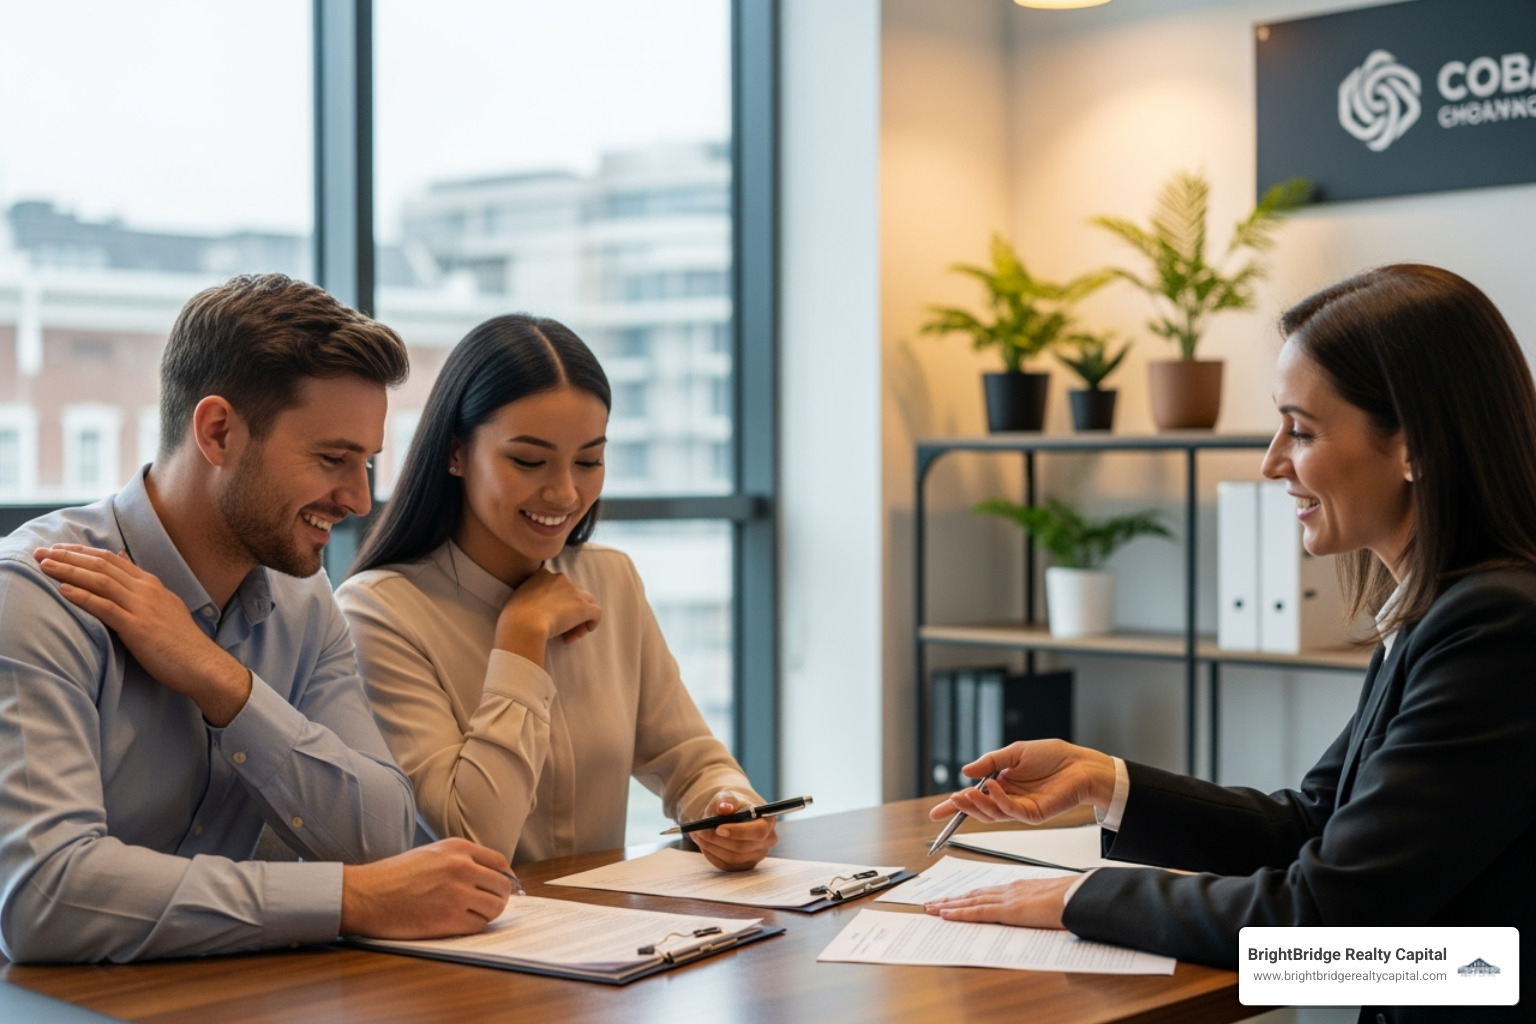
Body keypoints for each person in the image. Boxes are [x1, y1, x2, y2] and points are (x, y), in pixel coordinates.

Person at [925, 264, 1534, 1024]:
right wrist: (1104, 780)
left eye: (1302, 430)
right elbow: (1316, 826)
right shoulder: (1439, 609)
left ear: (1414, 446)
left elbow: (1325, 918)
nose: (1272, 460)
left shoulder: (1496, 628)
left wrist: (1079, 897)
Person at [0, 274, 514, 964]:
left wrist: (223, 685)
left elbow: (384, 835)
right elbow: (49, 897)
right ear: (218, 432)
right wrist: (351, 901)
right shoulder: (38, 592)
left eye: (366, 463)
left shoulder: (304, 602)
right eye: (334, 459)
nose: (360, 500)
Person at [335, 314, 775, 870]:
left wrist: (729, 809)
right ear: (455, 451)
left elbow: (688, 758)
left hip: (605, 937)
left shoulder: (610, 580)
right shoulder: (379, 611)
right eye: (529, 460)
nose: (566, 492)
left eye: (589, 460)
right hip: (462, 945)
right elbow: (476, 839)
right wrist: (520, 638)